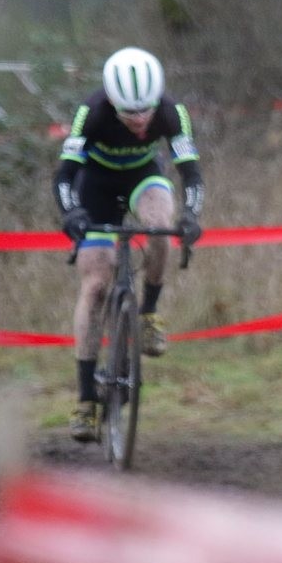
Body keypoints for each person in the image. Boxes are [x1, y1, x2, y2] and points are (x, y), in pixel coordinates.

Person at [53, 46, 206, 442]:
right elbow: (64, 176)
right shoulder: (92, 113)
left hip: (143, 177)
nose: (139, 122)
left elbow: (191, 174)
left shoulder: (172, 112)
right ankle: (86, 400)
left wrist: (191, 214)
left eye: (145, 113)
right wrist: (71, 213)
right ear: (112, 104)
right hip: (96, 187)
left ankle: (149, 313)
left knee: (159, 225)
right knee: (96, 285)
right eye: (129, 114)